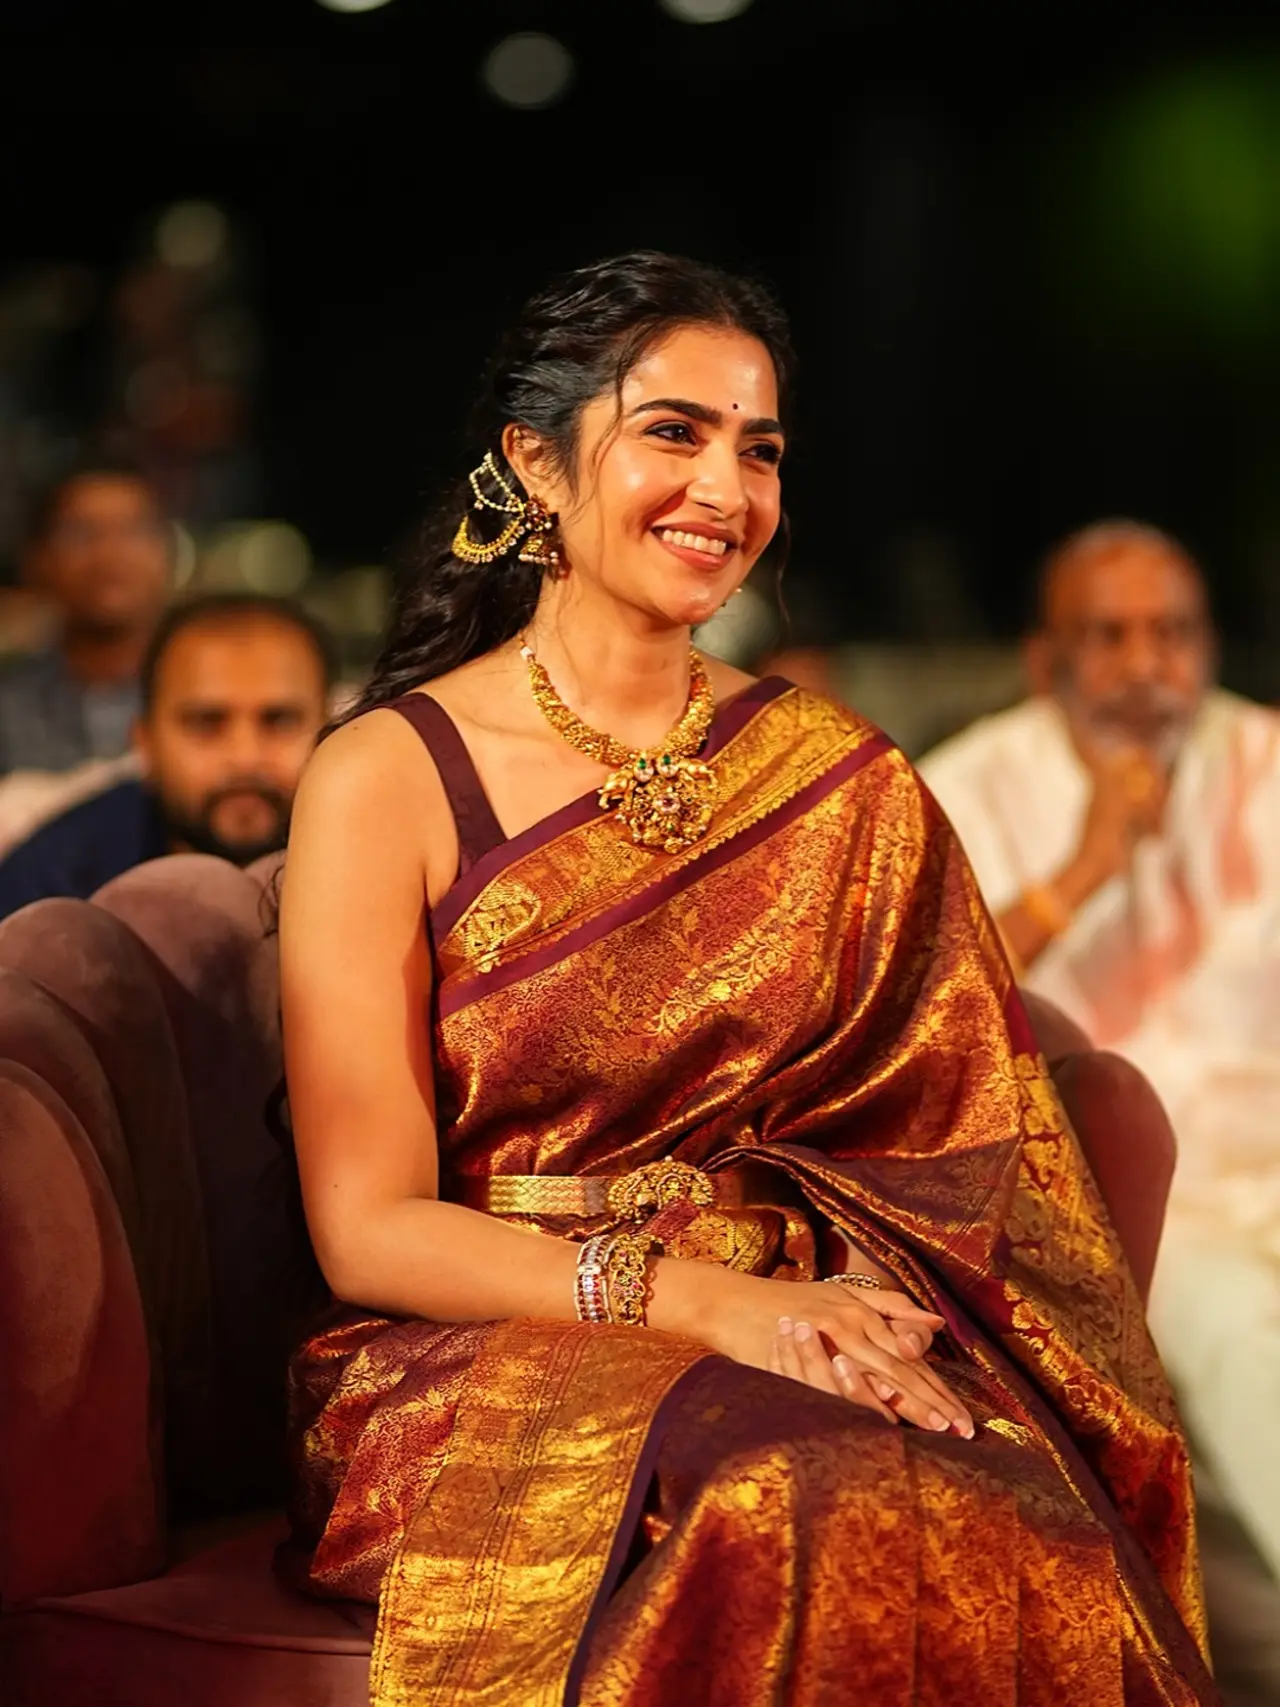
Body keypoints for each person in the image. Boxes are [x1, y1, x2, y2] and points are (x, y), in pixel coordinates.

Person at [278, 254, 1215, 1704]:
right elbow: (368, 1227)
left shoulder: (839, 781)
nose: (726, 486)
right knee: (800, 1501)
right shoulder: (387, 776)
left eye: (759, 447)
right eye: (674, 431)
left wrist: (818, 1299)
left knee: (1005, 1512)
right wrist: (708, 1304)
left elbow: (965, 1149)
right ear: (533, 460)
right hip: (487, 1362)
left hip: (808, 1322)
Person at [918, 519, 1280, 1590]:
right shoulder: (962, 791)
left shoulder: (1261, 762)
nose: (1143, 670)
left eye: (1169, 634)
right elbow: (933, 1008)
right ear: (1044, 660)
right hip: (1114, 1209)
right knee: (1232, 1331)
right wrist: (1077, 875)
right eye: (1107, 637)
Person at [0, 592, 333, 916]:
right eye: (206, 723)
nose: (245, 758)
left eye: (280, 721)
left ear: (335, 732)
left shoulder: (375, 861)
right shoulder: (52, 888)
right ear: (144, 741)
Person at [0, 459, 174, 773]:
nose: (110, 554)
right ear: (37, 559)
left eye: (133, 530)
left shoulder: (213, 699)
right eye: (81, 533)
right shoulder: (8, 704)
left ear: (167, 551)